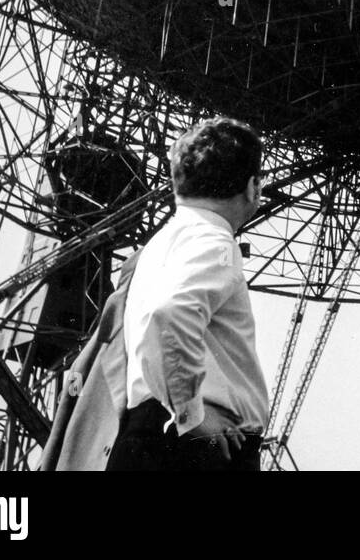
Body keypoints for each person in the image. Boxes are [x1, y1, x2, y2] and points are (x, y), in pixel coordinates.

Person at [108, 116, 270, 471]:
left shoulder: (153, 248)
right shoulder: (218, 242)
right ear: (251, 187)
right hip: (198, 447)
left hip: (146, 434)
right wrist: (191, 416)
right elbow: (169, 313)